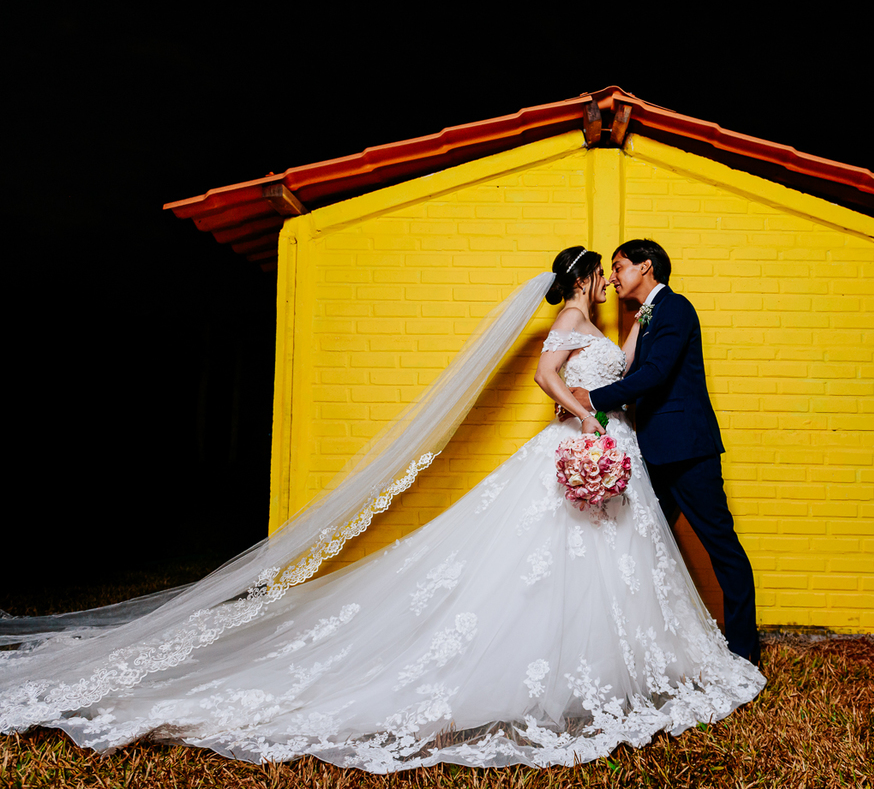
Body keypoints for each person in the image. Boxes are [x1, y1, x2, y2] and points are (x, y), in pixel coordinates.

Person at [0, 247, 764, 773]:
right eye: (602, 273)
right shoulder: (570, 326)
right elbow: (544, 379)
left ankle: (623, 667)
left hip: (618, 449)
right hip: (586, 443)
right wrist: (590, 419)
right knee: (546, 563)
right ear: (584, 280)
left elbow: (641, 372)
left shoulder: (622, 324)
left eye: (615, 270)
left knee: (617, 561)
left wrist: (606, 399)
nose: (609, 278)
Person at [570, 240, 761, 666]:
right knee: (637, 544)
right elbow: (634, 375)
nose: (614, 276)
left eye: (619, 267)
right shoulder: (647, 316)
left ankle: (745, 653)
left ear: (647, 267)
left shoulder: (675, 308)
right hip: (654, 452)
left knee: (722, 547)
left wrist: (592, 398)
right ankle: (648, 648)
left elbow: (655, 377)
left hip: (688, 451)